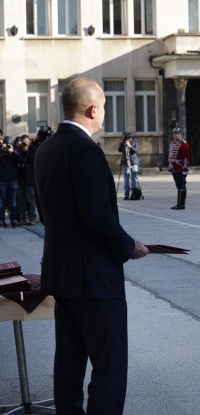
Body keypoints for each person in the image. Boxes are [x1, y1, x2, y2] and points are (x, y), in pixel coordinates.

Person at [34, 77, 148, 415]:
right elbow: (97, 217)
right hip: (95, 280)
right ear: (93, 109)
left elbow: (46, 213)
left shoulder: (47, 148)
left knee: (68, 365)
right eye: (105, 107)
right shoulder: (85, 151)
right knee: (109, 369)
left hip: (62, 275)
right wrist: (129, 246)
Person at [0, 135, 25, 227]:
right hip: (2, 180)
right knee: (2, 201)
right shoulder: (1, 152)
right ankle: (1, 220)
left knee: (13, 201)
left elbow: (21, 161)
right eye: (6, 144)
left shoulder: (14, 152)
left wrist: (13, 152)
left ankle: (14, 219)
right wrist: (2, 151)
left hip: (13, 180)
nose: (7, 147)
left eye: (9, 145)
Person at [169, 127, 190, 209]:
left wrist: (185, 169)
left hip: (180, 168)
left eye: (178, 134)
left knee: (182, 185)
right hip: (174, 168)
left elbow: (186, 158)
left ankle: (182, 204)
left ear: (181, 134)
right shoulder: (173, 144)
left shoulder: (184, 144)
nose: (176, 136)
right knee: (178, 185)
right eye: (175, 134)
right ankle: (178, 203)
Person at [118, 131, 140, 200]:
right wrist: (122, 143)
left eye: (129, 138)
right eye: (127, 138)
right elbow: (119, 150)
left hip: (134, 163)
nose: (128, 140)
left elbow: (135, 151)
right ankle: (126, 194)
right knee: (126, 179)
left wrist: (130, 146)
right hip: (126, 163)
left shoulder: (134, 143)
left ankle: (134, 194)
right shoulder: (123, 143)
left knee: (134, 178)